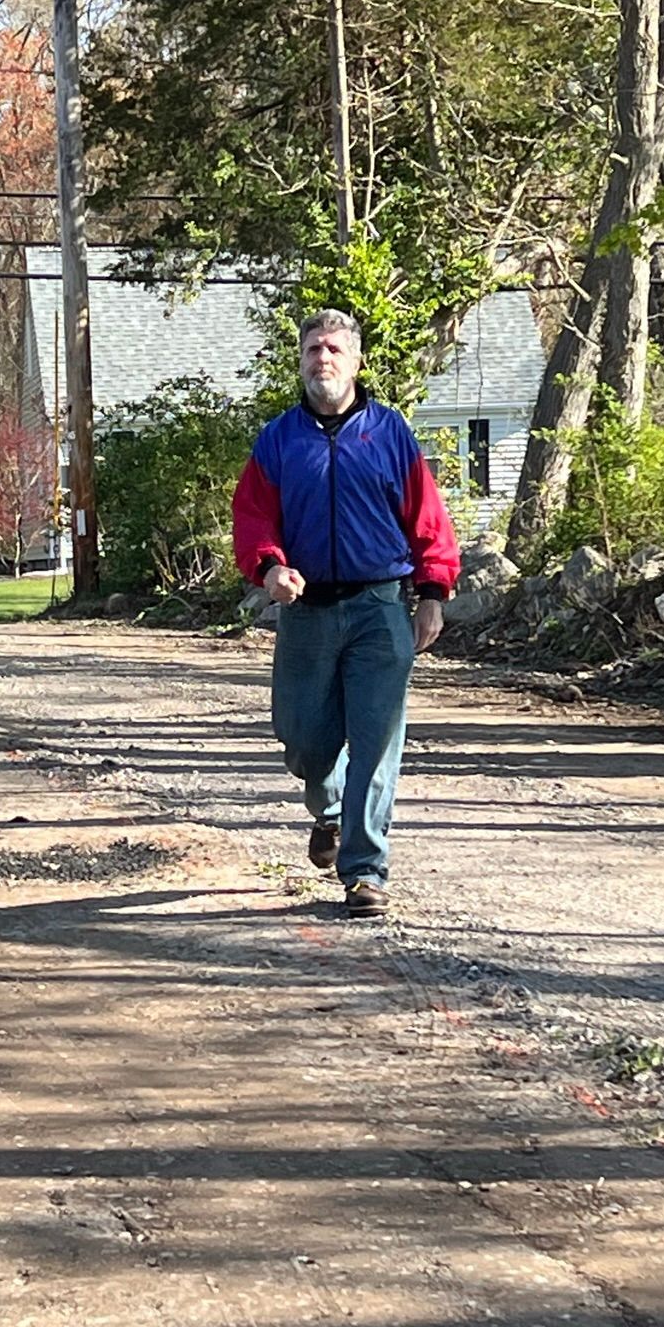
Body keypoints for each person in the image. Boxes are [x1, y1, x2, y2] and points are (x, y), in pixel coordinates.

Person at [232, 307, 458, 918]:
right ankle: (329, 810)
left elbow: (428, 519)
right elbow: (252, 519)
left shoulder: (390, 435)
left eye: (334, 349)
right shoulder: (279, 439)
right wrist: (270, 567)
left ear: (356, 362)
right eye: (312, 350)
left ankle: (365, 872)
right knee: (304, 741)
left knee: (377, 744)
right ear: (300, 361)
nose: (322, 359)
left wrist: (434, 593)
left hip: (379, 609)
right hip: (305, 614)